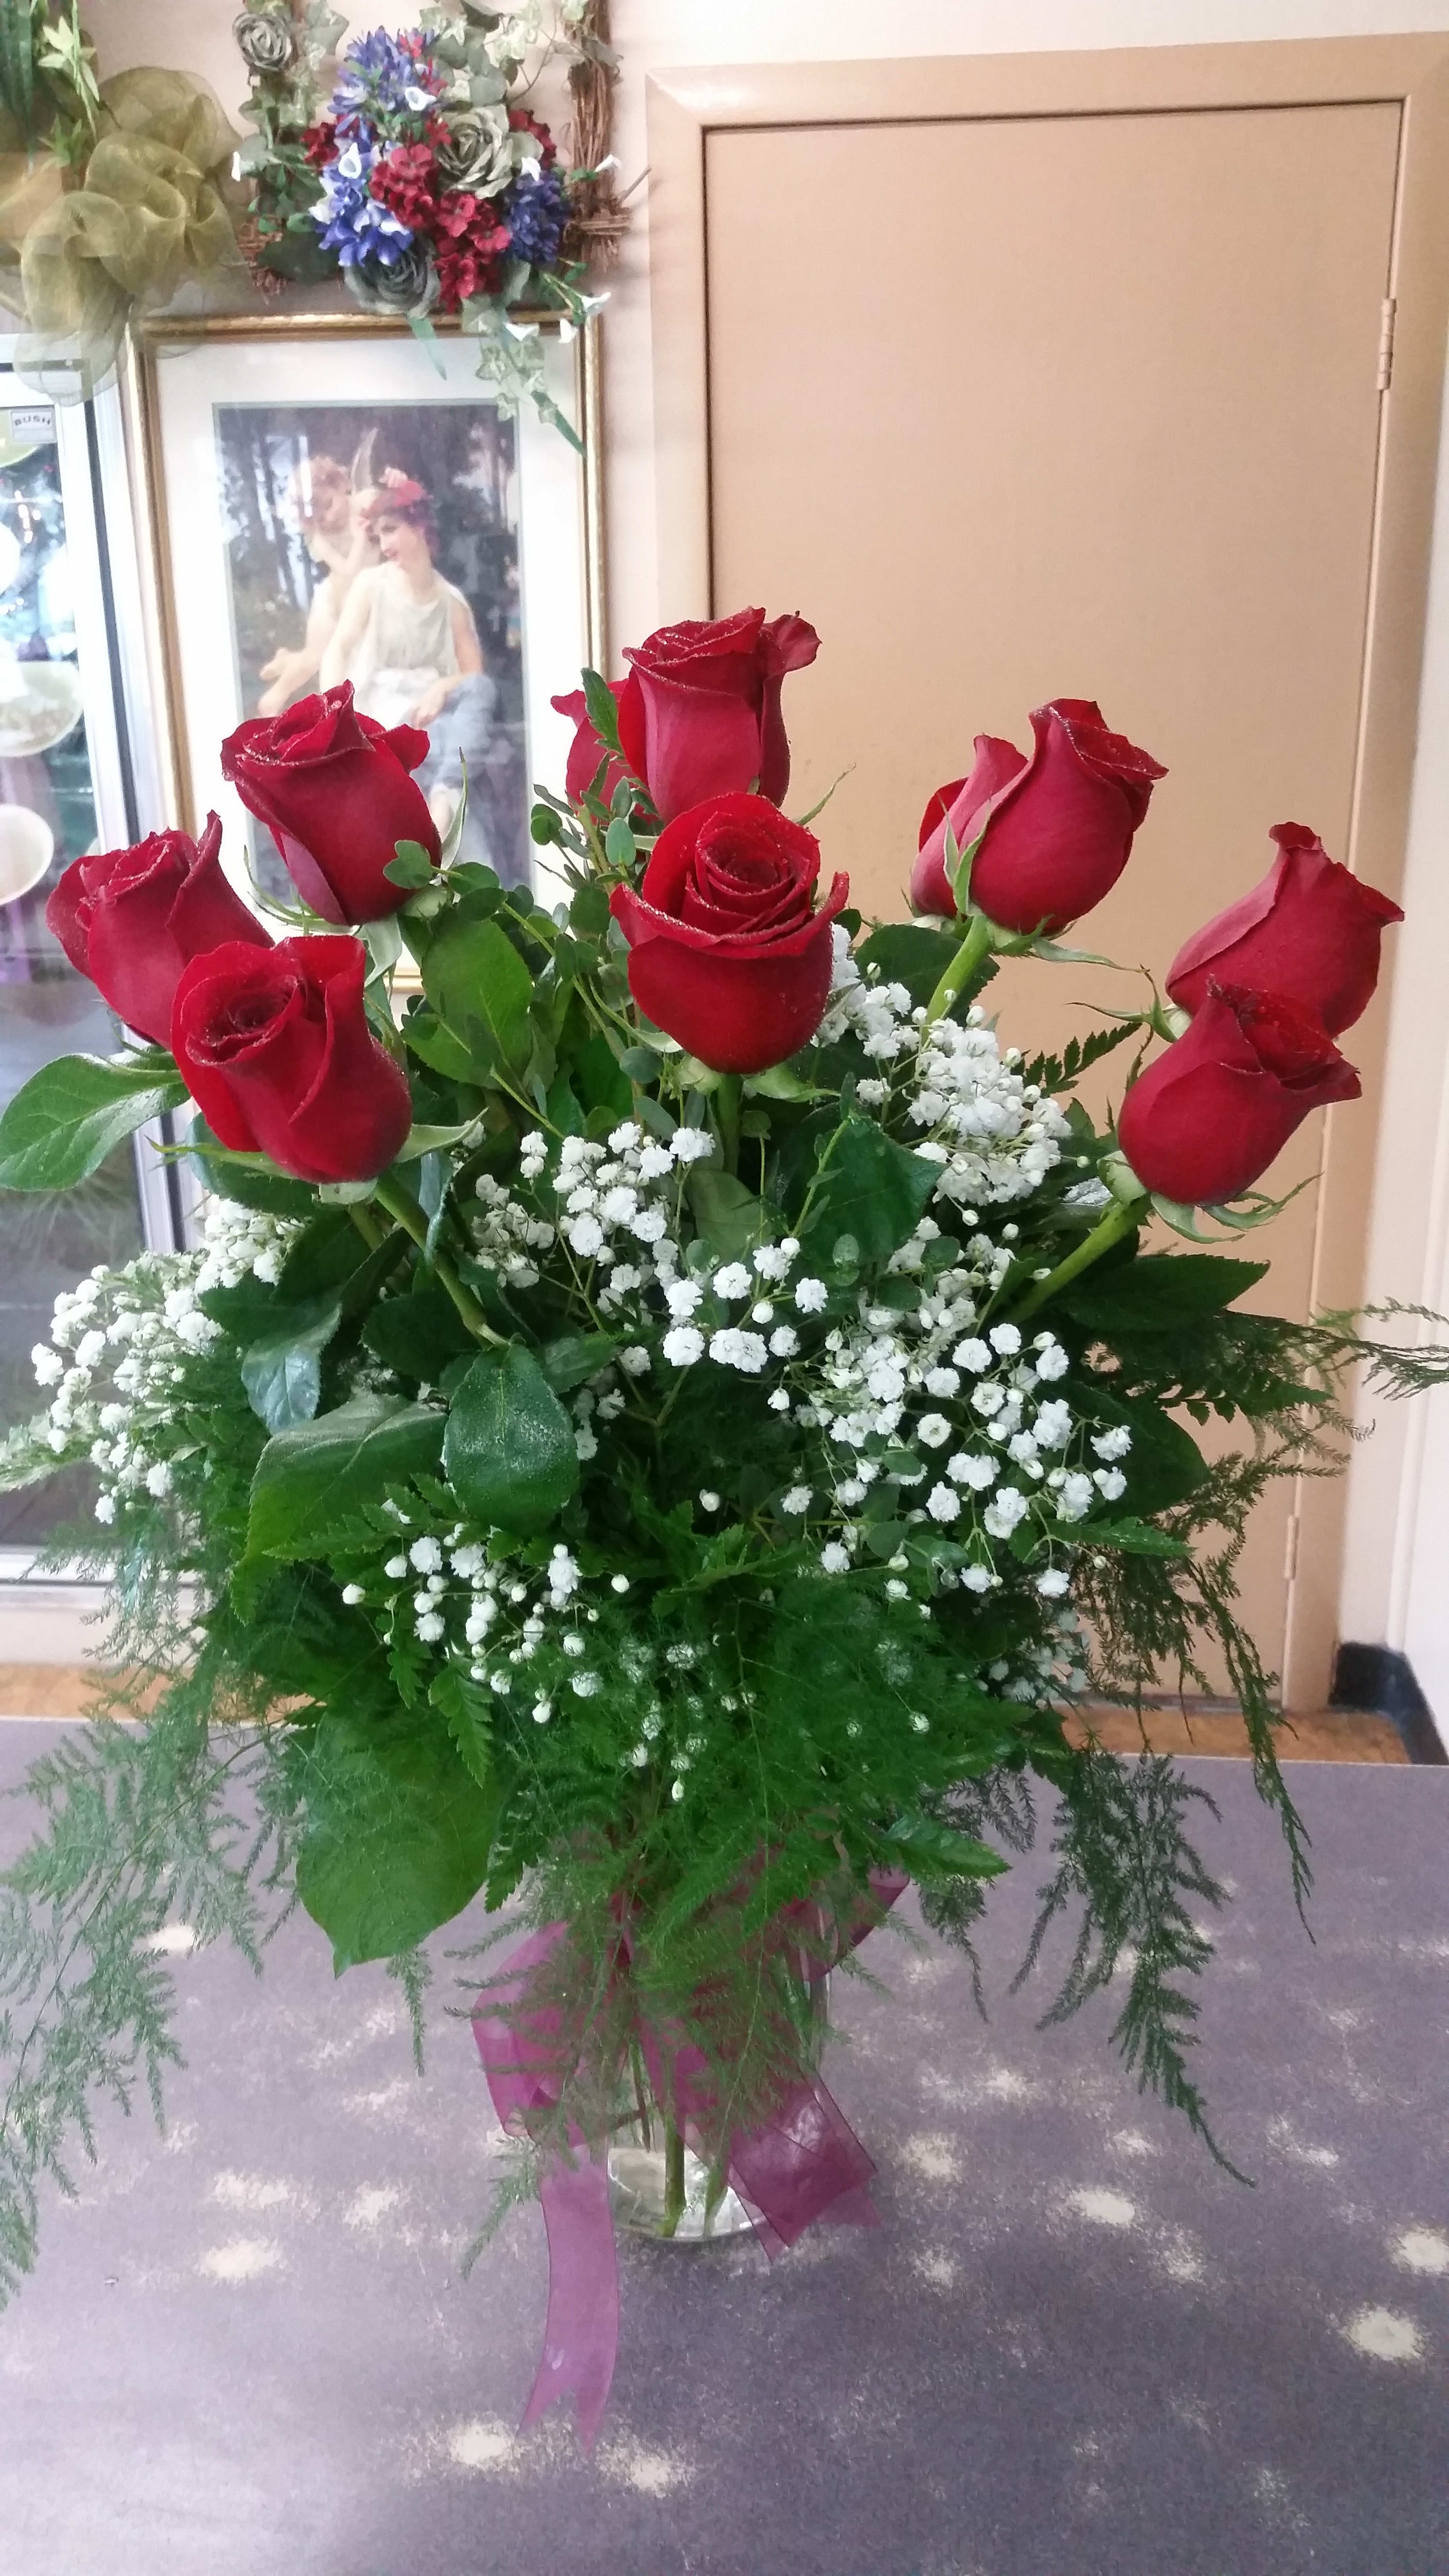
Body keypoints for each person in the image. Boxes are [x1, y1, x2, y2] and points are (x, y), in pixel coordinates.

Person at [319, 467, 499, 863]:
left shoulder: (450, 602)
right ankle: (443, 806)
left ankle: (444, 795)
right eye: (379, 534)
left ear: (419, 527)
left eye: (391, 530)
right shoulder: (372, 587)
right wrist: (332, 715)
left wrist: (441, 688)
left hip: (440, 716)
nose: (384, 544)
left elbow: (475, 680)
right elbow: (339, 647)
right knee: (438, 758)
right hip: (389, 715)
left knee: (477, 696)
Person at [256, 452, 377, 719]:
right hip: (336, 596)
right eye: (316, 514)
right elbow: (346, 572)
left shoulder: (366, 503)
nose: (327, 518)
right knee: (316, 656)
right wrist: (358, 540)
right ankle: (275, 697)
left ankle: (287, 659)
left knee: (335, 657)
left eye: (329, 504)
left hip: (368, 597)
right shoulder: (317, 535)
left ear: (341, 485)